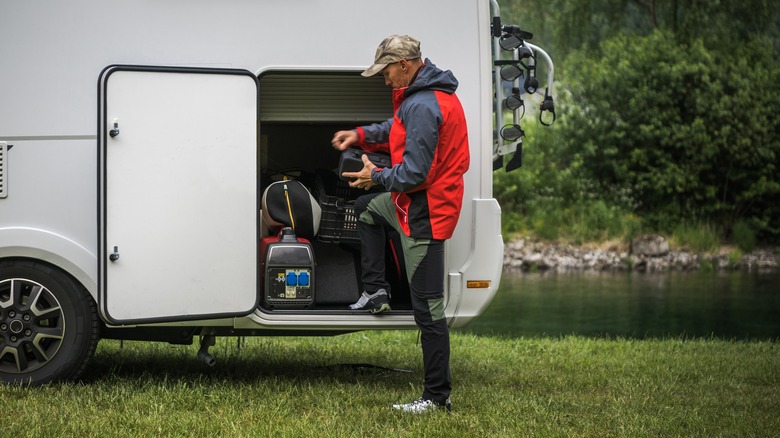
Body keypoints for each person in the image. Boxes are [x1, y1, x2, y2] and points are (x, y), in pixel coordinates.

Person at [331, 35, 470, 413]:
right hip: (406, 203)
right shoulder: (418, 99)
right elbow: (394, 129)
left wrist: (375, 176)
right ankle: (376, 290)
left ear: (404, 65)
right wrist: (359, 135)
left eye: (386, 70)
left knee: (429, 310)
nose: (384, 78)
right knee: (365, 209)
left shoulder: (426, 105)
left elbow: (413, 173)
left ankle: (436, 397)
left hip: (425, 212)